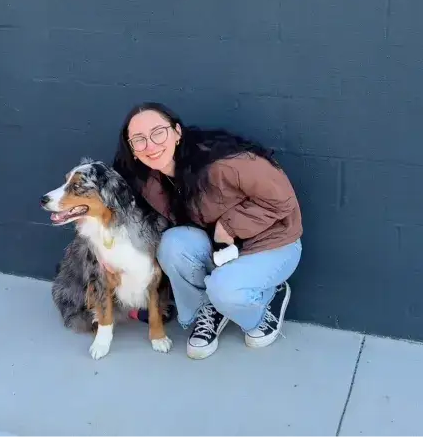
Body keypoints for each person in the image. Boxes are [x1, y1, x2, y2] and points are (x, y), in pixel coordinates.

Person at [113, 102, 303, 360]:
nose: (150, 145)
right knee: (171, 245)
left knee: (232, 299)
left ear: (177, 132)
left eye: (158, 132)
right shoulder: (149, 179)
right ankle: (209, 308)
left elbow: (283, 199)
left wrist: (229, 226)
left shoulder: (224, 163)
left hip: (272, 243)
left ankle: (266, 300)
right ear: (132, 149)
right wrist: (111, 255)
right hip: (221, 250)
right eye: (139, 139)